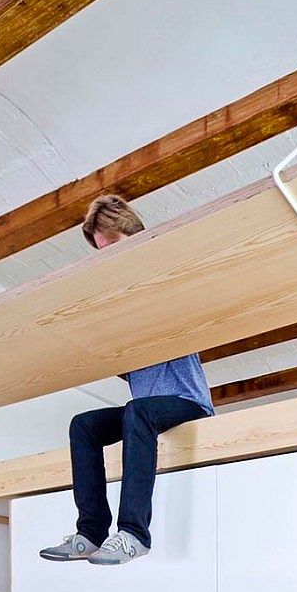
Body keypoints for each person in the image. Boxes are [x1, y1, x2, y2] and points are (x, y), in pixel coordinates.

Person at [39, 194, 214, 567]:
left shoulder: (160, 282)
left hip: (186, 401)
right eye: (101, 252)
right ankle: (90, 532)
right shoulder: (118, 300)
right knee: (83, 425)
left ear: (132, 235)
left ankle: (134, 533)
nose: (108, 258)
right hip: (147, 409)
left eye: (112, 246)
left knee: (137, 412)